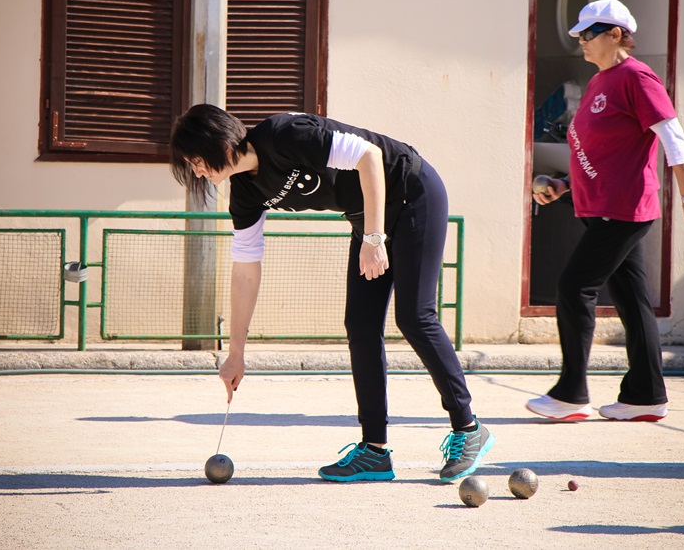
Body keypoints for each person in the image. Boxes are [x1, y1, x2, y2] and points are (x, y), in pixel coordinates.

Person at [170, 105, 494, 482]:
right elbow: (245, 272)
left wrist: (374, 239)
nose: (197, 171)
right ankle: (374, 450)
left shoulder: (284, 134)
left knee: (414, 316)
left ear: (220, 144)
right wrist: (236, 354)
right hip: (367, 218)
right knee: (360, 322)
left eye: (196, 160)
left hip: (411, 191)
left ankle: (468, 429)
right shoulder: (245, 194)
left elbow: (369, 157)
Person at [527, 0, 684, 423]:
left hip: (623, 209)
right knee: (632, 301)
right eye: (579, 36)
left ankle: (571, 394)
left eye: (589, 34)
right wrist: (563, 186)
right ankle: (645, 395)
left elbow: (673, 138)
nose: (582, 42)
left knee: (574, 287)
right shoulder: (599, 82)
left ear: (615, 34)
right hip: (601, 204)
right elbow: (603, 153)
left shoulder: (637, 77)